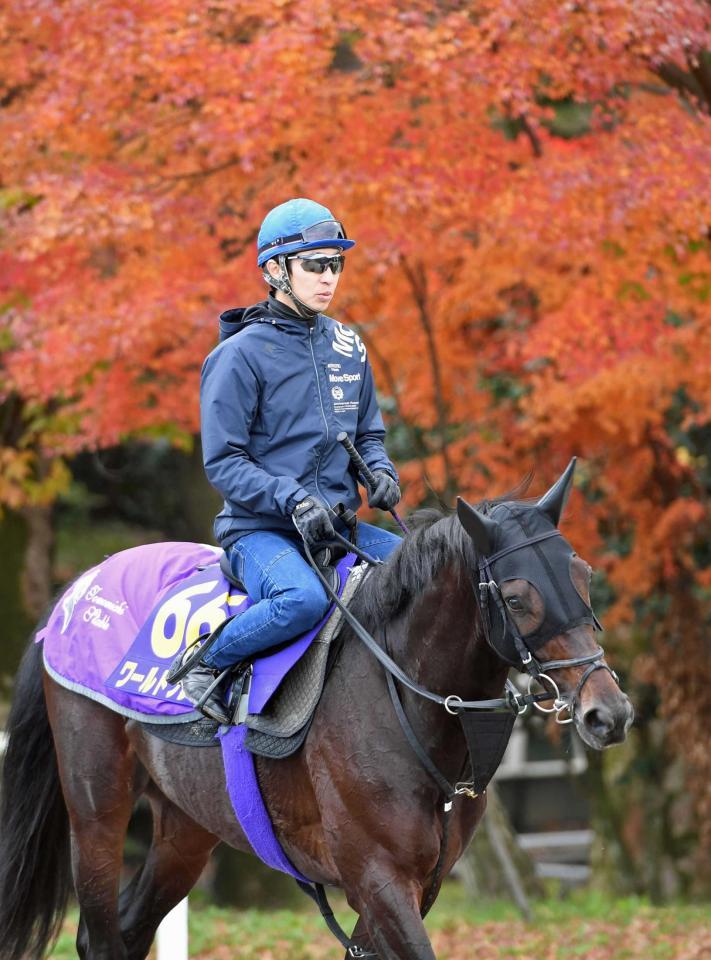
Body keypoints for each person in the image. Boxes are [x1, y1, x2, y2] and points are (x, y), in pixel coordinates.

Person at [182, 198, 402, 722]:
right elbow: (225, 462)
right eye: (315, 264)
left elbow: (368, 433)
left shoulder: (350, 346)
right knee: (301, 601)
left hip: (335, 527)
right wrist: (293, 497)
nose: (329, 278)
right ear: (275, 270)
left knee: (424, 575)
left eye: (337, 264)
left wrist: (382, 472)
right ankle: (206, 665)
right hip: (260, 531)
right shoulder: (237, 357)